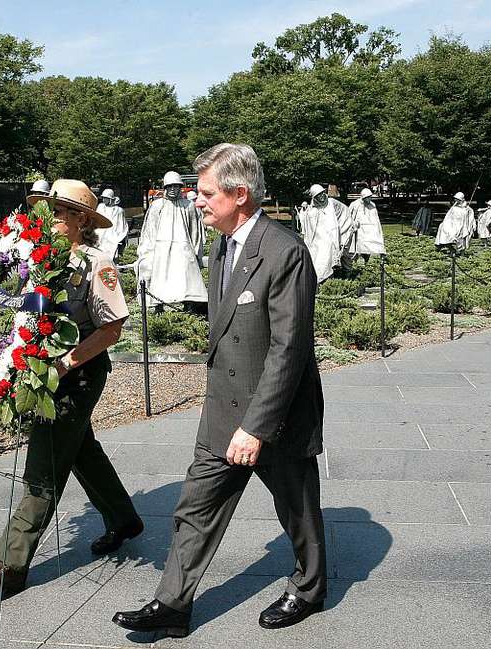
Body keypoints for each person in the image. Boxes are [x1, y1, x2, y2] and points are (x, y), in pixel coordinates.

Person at [113, 144, 326, 637]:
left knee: (297, 511)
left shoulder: (284, 252)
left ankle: (310, 588)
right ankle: (172, 605)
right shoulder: (221, 243)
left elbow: (289, 350)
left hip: (275, 416)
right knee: (195, 506)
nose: (196, 200)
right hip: (222, 410)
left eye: (206, 192)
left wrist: (256, 427)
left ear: (241, 193)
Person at [0, 179, 144, 595]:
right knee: (80, 449)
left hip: (77, 374)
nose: (51, 219)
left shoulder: (96, 263)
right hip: (40, 370)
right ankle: (123, 519)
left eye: (61, 212)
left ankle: (11, 564)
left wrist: (64, 365)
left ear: (82, 219)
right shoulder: (37, 258)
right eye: (48, 211)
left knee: (44, 463)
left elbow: (112, 328)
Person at [136, 170, 207, 309]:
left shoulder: (189, 205)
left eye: (176, 186)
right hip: (162, 249)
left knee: (187, 281)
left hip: (184, 249)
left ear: (180, 187)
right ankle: (159, 306)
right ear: (165, 188)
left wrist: (196, 251)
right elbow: (150, 231)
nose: (173, 189)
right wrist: (147, 252)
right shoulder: (157, 206)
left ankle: (189, 307)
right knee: (161, 280)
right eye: (170, 186)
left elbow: (195, 232)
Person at [301, 183, 346, 282]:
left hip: (331, 238)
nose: (321, 196)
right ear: (314, 197)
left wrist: (351, 223)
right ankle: (321, 281)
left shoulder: (332, 203)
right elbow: (308, 231)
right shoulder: (311, 211)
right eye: (318, 195)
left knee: (329, 259)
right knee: (320, 261)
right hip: (318, 242)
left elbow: (344, 212)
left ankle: (329, 281)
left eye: (322, 193)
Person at [347, 188, 385, 258]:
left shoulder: (372, 205)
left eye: (370, 197)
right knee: (359, 246)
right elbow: (348, 216)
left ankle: (370, 257)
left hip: (370, 229)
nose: (369, 199)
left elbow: (375, 218)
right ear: (363, 197)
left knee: (371, 245)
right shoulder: (355, 204)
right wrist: (353, 223)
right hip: (359, 229)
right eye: (368, 197)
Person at [94, 188, 128, 261]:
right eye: (103, 198)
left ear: (110, 199)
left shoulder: (118, 210)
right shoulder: (100, 207)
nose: (103, 200)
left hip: (112, 233)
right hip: (100, 231)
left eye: (106, 198)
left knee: (111, 243)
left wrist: (117, 235)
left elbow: (121, 225)